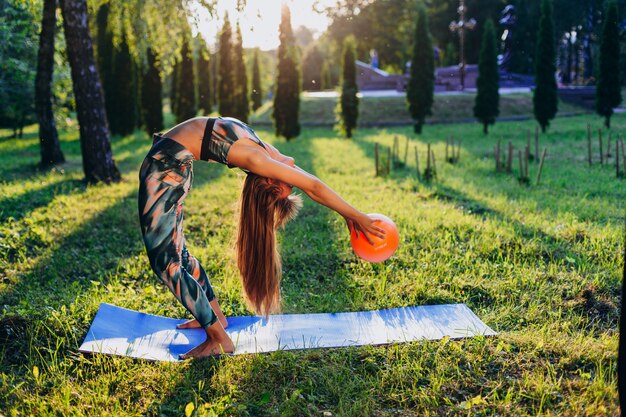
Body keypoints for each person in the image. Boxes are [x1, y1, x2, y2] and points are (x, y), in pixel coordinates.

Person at [138, 116, 385, 359]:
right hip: (170, 164)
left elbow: (313, 187)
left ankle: (218, 339)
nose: (293, 180)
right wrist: (351, 215)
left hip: (165, 167)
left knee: (165, 263)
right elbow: (313, 185)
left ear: (270, 179)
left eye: (288, 187)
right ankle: (216, 317)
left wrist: (354, 215)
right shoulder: (266, 155)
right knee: (176, 253)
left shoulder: (260, 157)